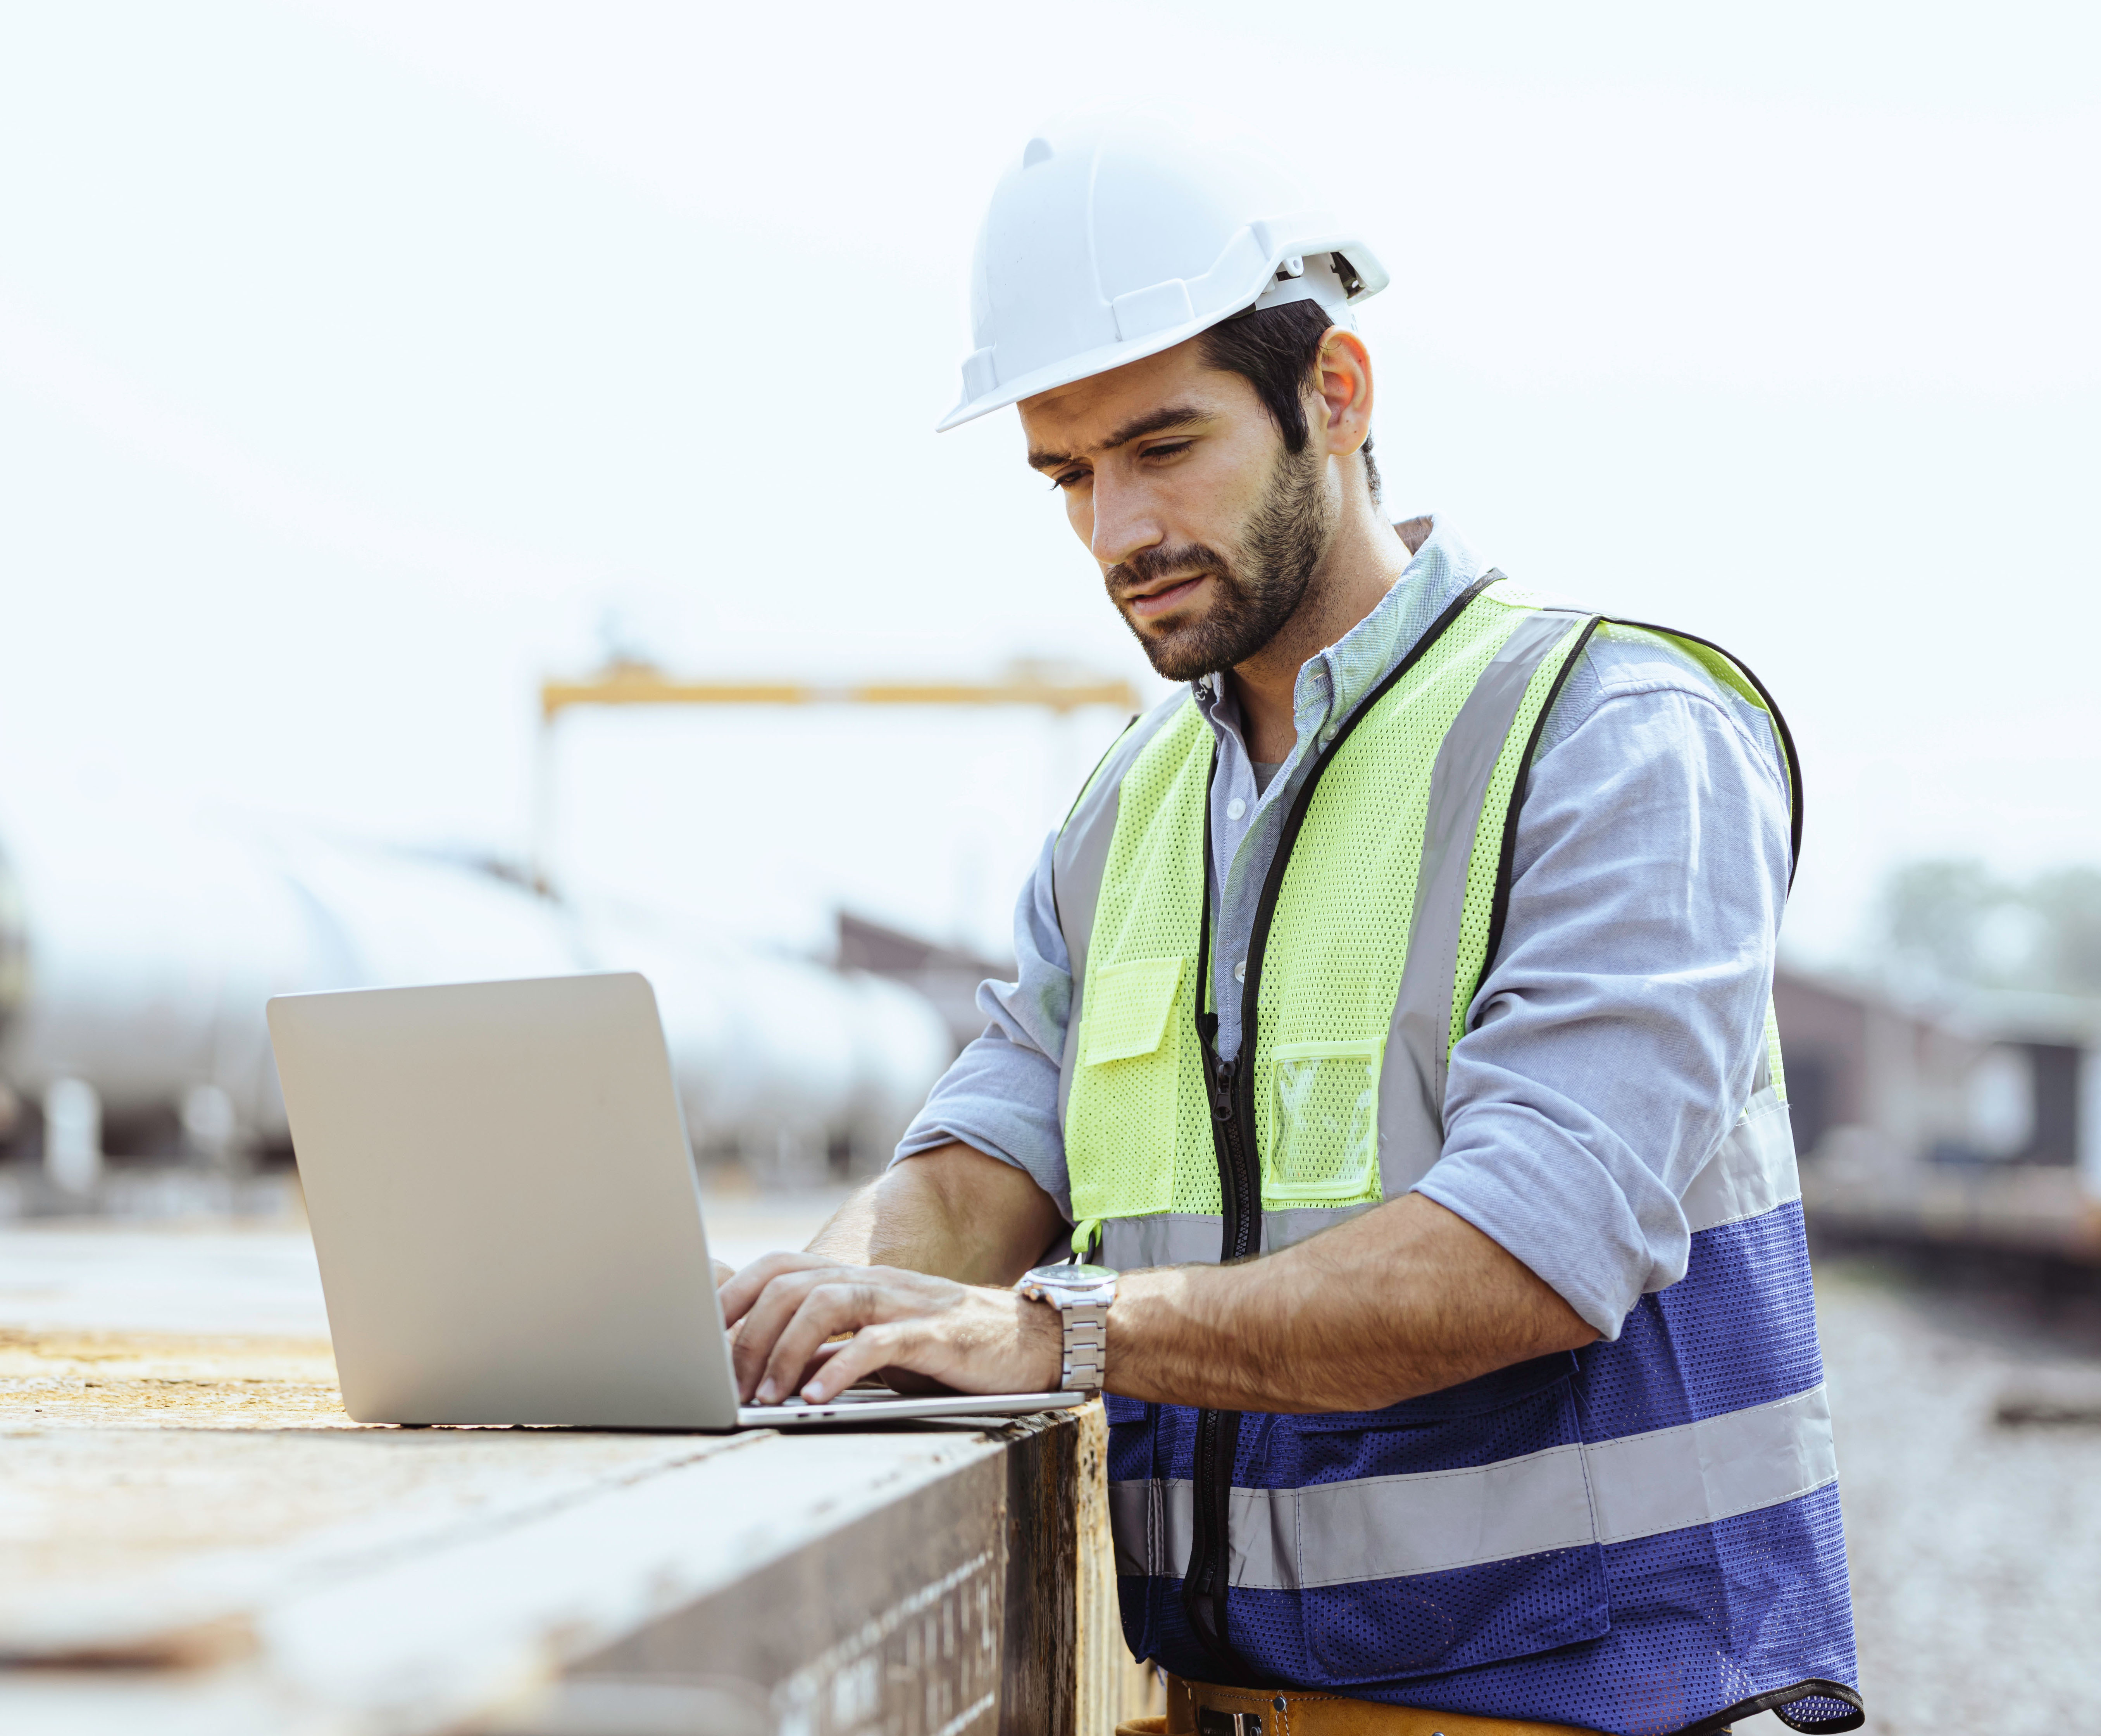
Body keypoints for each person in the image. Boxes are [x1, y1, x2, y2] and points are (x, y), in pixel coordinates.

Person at [721, 108, 1863, 1736]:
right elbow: (981, 1172)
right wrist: (798, 1311)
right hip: (1232, 1710)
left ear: (1336, 393)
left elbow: (1539, 1247)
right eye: (1067, 473)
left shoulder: (1612, 734)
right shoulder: (1124, 815)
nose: (1117, 534)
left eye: (1164, 447)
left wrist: (1052, 1328)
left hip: (1604, 1709)